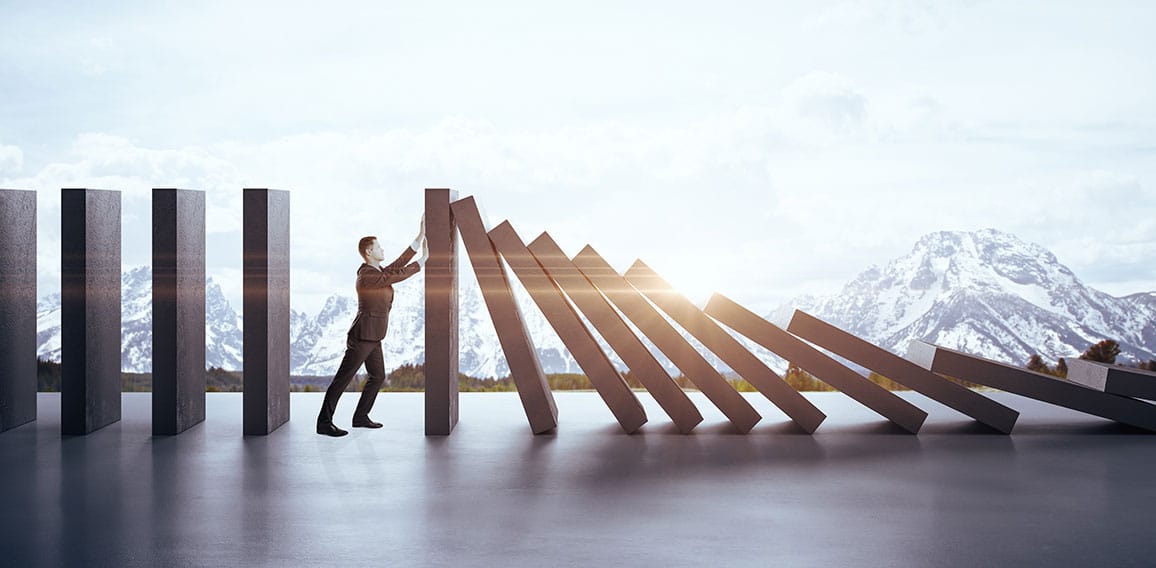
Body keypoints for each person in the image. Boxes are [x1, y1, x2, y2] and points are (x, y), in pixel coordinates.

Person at [317, 217, 427, 437]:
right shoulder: (366, 275)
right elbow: (395, 274)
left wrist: (419, 237)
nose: (382, 249)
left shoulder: (376, 273)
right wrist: (423, 260)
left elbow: (395, 267)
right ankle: (324, 423)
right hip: (362, 337)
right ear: (368, 252)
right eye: (378, 246)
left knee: (377, 376)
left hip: (374, 336)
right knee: (343, 379)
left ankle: (360, 417)